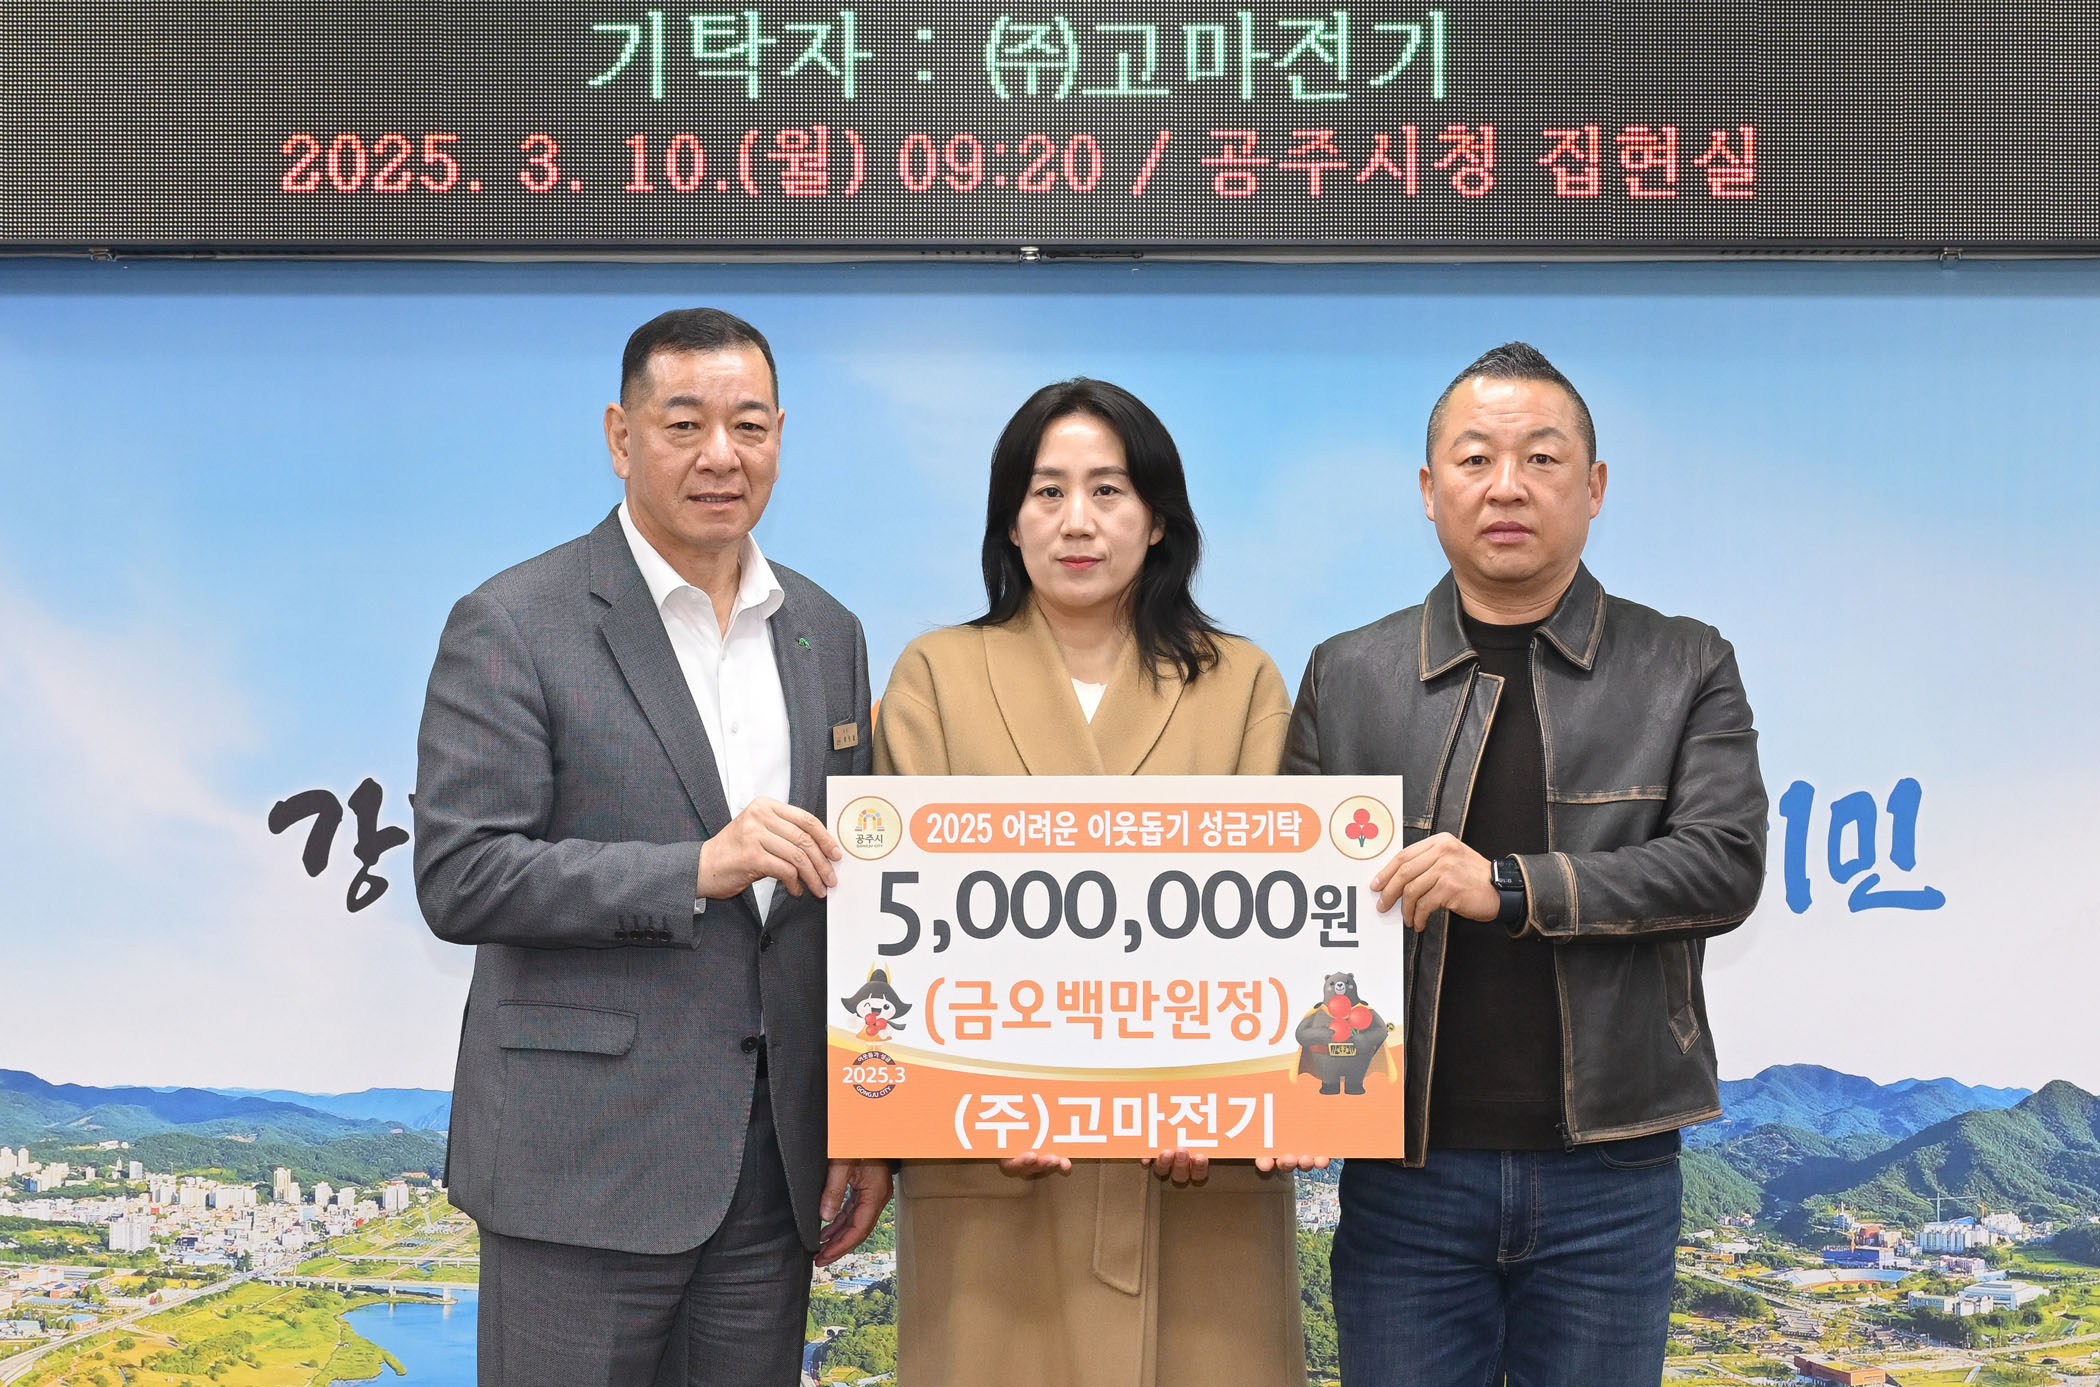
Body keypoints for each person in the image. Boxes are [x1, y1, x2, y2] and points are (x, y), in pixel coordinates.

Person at [413, 307, 892, 1387]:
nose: (721, 454)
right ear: (620, 436)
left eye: (749, 425)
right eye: (685, 424)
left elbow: (854, 899)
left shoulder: (828, 630)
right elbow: (460, 872)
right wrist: (694, 869)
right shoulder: (515, 619)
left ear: (780, 438)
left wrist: (866, 1116)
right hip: (579, 1169)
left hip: (771, 1173)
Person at [1284, 342, 1767, 1386]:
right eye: (1475, 459)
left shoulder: (1685, 662)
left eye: (1542, 459)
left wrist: (1509, 886)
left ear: (1594, 487)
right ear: (1430, 490)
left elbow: (1723, 865)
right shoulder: (1347, 673)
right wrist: (1291, 1096)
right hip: (1405, 1174)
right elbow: (1294, 916)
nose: (1507, 486)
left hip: (1612, 1171)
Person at [872, 378, 1306, 1387]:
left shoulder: (1243, 682)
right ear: (1009, 520)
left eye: (1108, 490)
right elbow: (903, 932)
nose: (1078, 520)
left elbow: (1279, 933)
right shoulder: (933, 674)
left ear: (1157, 519)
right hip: (993, 1175)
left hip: (1201, 1180)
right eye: (1048, 491)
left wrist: (1225, 1101)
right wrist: (978, 1097)